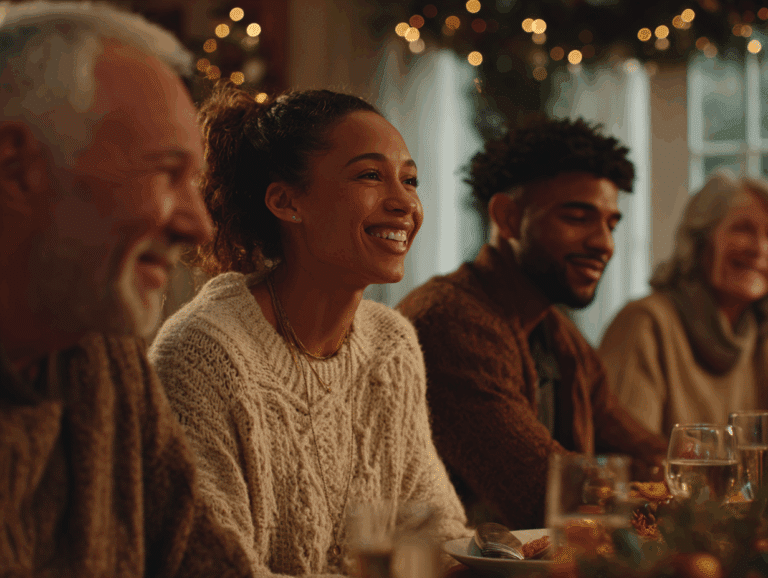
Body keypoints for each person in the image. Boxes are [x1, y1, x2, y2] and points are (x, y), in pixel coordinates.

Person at [148, 84, 469, 576]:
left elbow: (442, 536)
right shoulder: (202, 353)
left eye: (410, 180)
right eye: (370, 175)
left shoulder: (391, 343)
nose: (405, 202)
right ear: (286, 201)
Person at [0, 2, 251, 575]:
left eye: (197, 183)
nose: (199, 226)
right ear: (16, 167)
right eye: (165, 171)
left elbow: (202, 561)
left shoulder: (102, 352)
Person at [397, 117, 668, 531]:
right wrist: (676, 513)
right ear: (507, 218)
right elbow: (547, 494)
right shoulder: (449, 322)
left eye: (611, 224)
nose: (604, 244)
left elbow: (648, 456)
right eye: (578, 217)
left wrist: (687, 488)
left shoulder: (559, 336)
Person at [599, 173, 768, 437]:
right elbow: (630, 462)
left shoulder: (759, 335)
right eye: (743, 229)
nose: (760, 249)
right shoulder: (645, 322)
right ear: (700, 240)